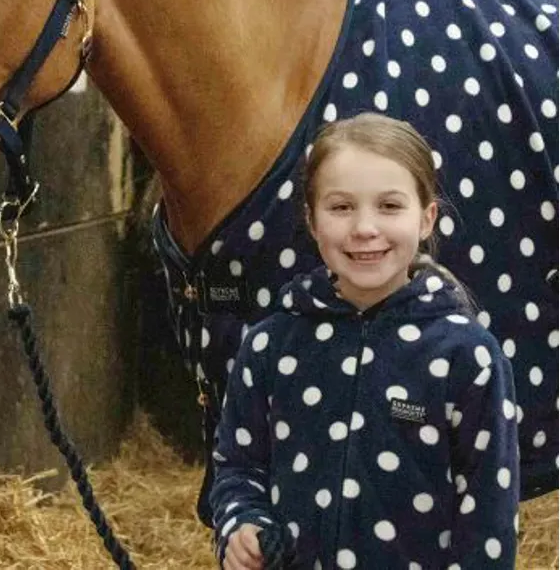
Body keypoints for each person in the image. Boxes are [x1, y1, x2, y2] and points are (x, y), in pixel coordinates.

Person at [210, 112, 520, 570]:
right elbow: (237, 468)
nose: (365, 228)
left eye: (390, 206)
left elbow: (488, 517)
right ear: (312, 221)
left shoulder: (468, 356)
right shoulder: (268, 345)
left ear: (427, 218)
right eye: (341, 207)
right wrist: (242, 526)